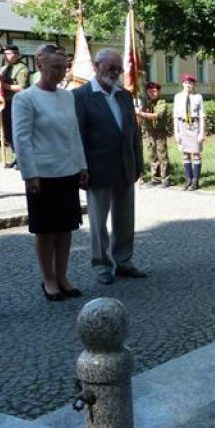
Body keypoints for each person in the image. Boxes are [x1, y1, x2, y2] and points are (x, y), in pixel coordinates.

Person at [12, 45, 89, 301]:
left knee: (66, 228)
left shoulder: (68, 96)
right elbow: (22, 139)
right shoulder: (25, 98)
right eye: (55, 67)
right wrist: (29, 173)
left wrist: (82, 165)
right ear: (40, 65)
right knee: (46, 231)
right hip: (42, 175)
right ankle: (48, 279)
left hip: (67, 170)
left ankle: (63, 275)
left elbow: (75, 134)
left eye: (64, 68)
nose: (60, 73)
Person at [73, 48, 146, 285]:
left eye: (118, 68)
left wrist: (138, 162)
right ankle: (102, 265)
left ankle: (124, 261)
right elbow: (79, 136)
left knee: (125, 218)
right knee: (98, 222)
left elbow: (134, 133)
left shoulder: (124, 95)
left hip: (125, 165)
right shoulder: (81, 96)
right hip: (98, 168)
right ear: (96, 66)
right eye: (110, 68)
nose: (115, 73)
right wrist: (81, 168)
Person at [173, 73, 205, 190]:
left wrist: (202, 132)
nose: (188, 85)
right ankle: (188, 179)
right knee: (185, 153)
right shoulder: (177, 97)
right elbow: (175, 115)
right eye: (186, 83)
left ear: (193, 85)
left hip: (194, 126)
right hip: (183, 126)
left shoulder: (198, 97)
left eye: (190, 83)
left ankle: (196, 181)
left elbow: (202, 115)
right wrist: (176, 132)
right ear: (183, 84)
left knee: (196, 153)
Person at [0, 43, 30, 168]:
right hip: (5, 103)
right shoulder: (4, 68)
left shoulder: (22, 68)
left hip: (16, 103)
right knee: (8, 132)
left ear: (16, 55)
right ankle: (16, 155)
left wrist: (4, 85)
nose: (6, 56)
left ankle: (22, 158)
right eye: (5, 53)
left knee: (17, 131)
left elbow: (21, 88)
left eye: (9, 53)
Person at [137, 81, 171, 187]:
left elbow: (156, 115)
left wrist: (141, 113)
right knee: (152, 154)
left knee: (162, 154)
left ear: (159, 91)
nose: (152, 93)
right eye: (150, 91)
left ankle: (166, 178)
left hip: (159, 130)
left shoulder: (162, 102)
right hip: (149, 131)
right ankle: (155, 178)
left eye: (154, 91)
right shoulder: (146, 103)